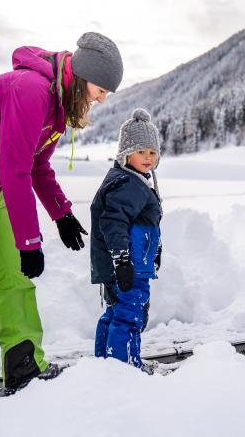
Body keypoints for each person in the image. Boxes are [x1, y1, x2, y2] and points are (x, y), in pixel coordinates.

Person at [0, 32, 123, 395]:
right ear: (84, 75)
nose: (101, 97)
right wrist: (29, 241)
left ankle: (24, 365)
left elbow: (36, 165)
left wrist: (61, 212)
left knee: (14, 279)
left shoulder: (59, 106)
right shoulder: (32, 90)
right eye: (101, 88)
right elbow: (15, 167)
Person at [91, 108, 163, 370]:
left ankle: (105, 364)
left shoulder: (131, 179)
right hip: (131, 268)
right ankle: (126, 369)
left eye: (152, 152)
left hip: (131, 264)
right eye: (141, 152)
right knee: (129, 317)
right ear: (125, 153)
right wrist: (122, 261)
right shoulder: (129, 185)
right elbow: (113, 222)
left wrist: (156, 250)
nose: (148, 158)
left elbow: (145, 223)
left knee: (113, 314)